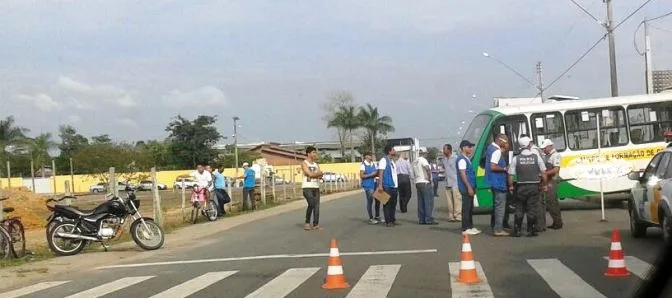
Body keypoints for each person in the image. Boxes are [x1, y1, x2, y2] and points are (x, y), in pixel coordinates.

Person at [508, 136, 547, 237]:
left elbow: (511, 175)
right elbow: (544, 172)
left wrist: (511, 186)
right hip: (534, 186)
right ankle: (531, 229)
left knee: (519, 208)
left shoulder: (516, 159)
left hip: (520, 186)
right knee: (532, 208)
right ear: (529, 145)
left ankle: (517, 230)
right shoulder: (536, 157)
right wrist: (545, 184)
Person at [486, 134, 510, 236]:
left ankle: (495, 226)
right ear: (500, 141)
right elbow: (493, 166)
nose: (507, 144)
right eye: (506, 142)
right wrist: (505, 169)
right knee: (500, 207)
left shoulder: (490, 148)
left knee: (496, 205)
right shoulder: (496, 151)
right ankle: (498, 229)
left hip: (493, 181)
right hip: (499, 182)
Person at [457, 140, 481, 235]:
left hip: (469, 186)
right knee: (466, 208)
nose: (471, 149)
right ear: (463, 148)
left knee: (470, 208)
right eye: (469, 147)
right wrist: (469, 187)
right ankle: (465, 228)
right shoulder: (462, 159)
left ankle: (470, 226)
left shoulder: (466, 159)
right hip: (466, 187)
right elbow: (463, 174)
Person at [541, 139, 563, 230]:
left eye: (545, 148)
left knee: (552, 202)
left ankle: (558, 223)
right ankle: (556, 222)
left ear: (550, 146)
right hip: (547, 181)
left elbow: (556, 170)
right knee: (550, 203)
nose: (543, 150)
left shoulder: (556, 155)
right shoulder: (546, 156)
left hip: (552, 181)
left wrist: (545, 174)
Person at [301, 146, 323, 231]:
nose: (315, 154)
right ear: (308, 153)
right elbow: (310, 174)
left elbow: (320, 175)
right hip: (307, 187)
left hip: (316, 187)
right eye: (313, 152)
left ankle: (315, 224)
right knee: (311, 204)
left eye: (315, 152)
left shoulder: (316, 164)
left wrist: (317, 174)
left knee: (317, 206)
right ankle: (307, 223)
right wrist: (317, 174)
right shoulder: (304, 163)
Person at [377, 144, 399, 227]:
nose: (395, 151)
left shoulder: (392, 161)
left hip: (394, 186)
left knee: (393, 203)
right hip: (386, 185)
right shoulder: (383, 160)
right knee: (387, 204)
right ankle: (388, 221)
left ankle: (392, 219)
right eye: (393, 149)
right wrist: (380, 185)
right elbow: (381, 173)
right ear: (389, 151)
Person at [438, 144, 461, 222]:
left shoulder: (456, 158)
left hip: (455, 182)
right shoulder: (443, 159)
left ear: (449, 150)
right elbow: (442, 168)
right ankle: (451, 216)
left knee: (457, 200)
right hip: (447, 183)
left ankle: (457, 216)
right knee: (449, 202)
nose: (443, 151)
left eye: (445, 149)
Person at [414, 149, 436, 225]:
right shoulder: (423, 160)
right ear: (424, 153)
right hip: (425, 182)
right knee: (428, 201)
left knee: (420, 201)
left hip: (418, 181)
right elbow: (427, 168)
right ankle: (428, 218)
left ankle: (421, 219)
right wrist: (429, 178)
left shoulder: (415, 161)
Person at [360, 152, 381, 224]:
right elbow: (362, 176)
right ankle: (371, 218)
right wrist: (371, 174)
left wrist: (377, 174)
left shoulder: (373, 164)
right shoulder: (363, 165)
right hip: (368, 185)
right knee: (370, 201)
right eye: (370, 155)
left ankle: (377, 216)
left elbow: (377, 173)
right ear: (366, 156)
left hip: (375, 184)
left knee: (378, 200)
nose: (371, 156)